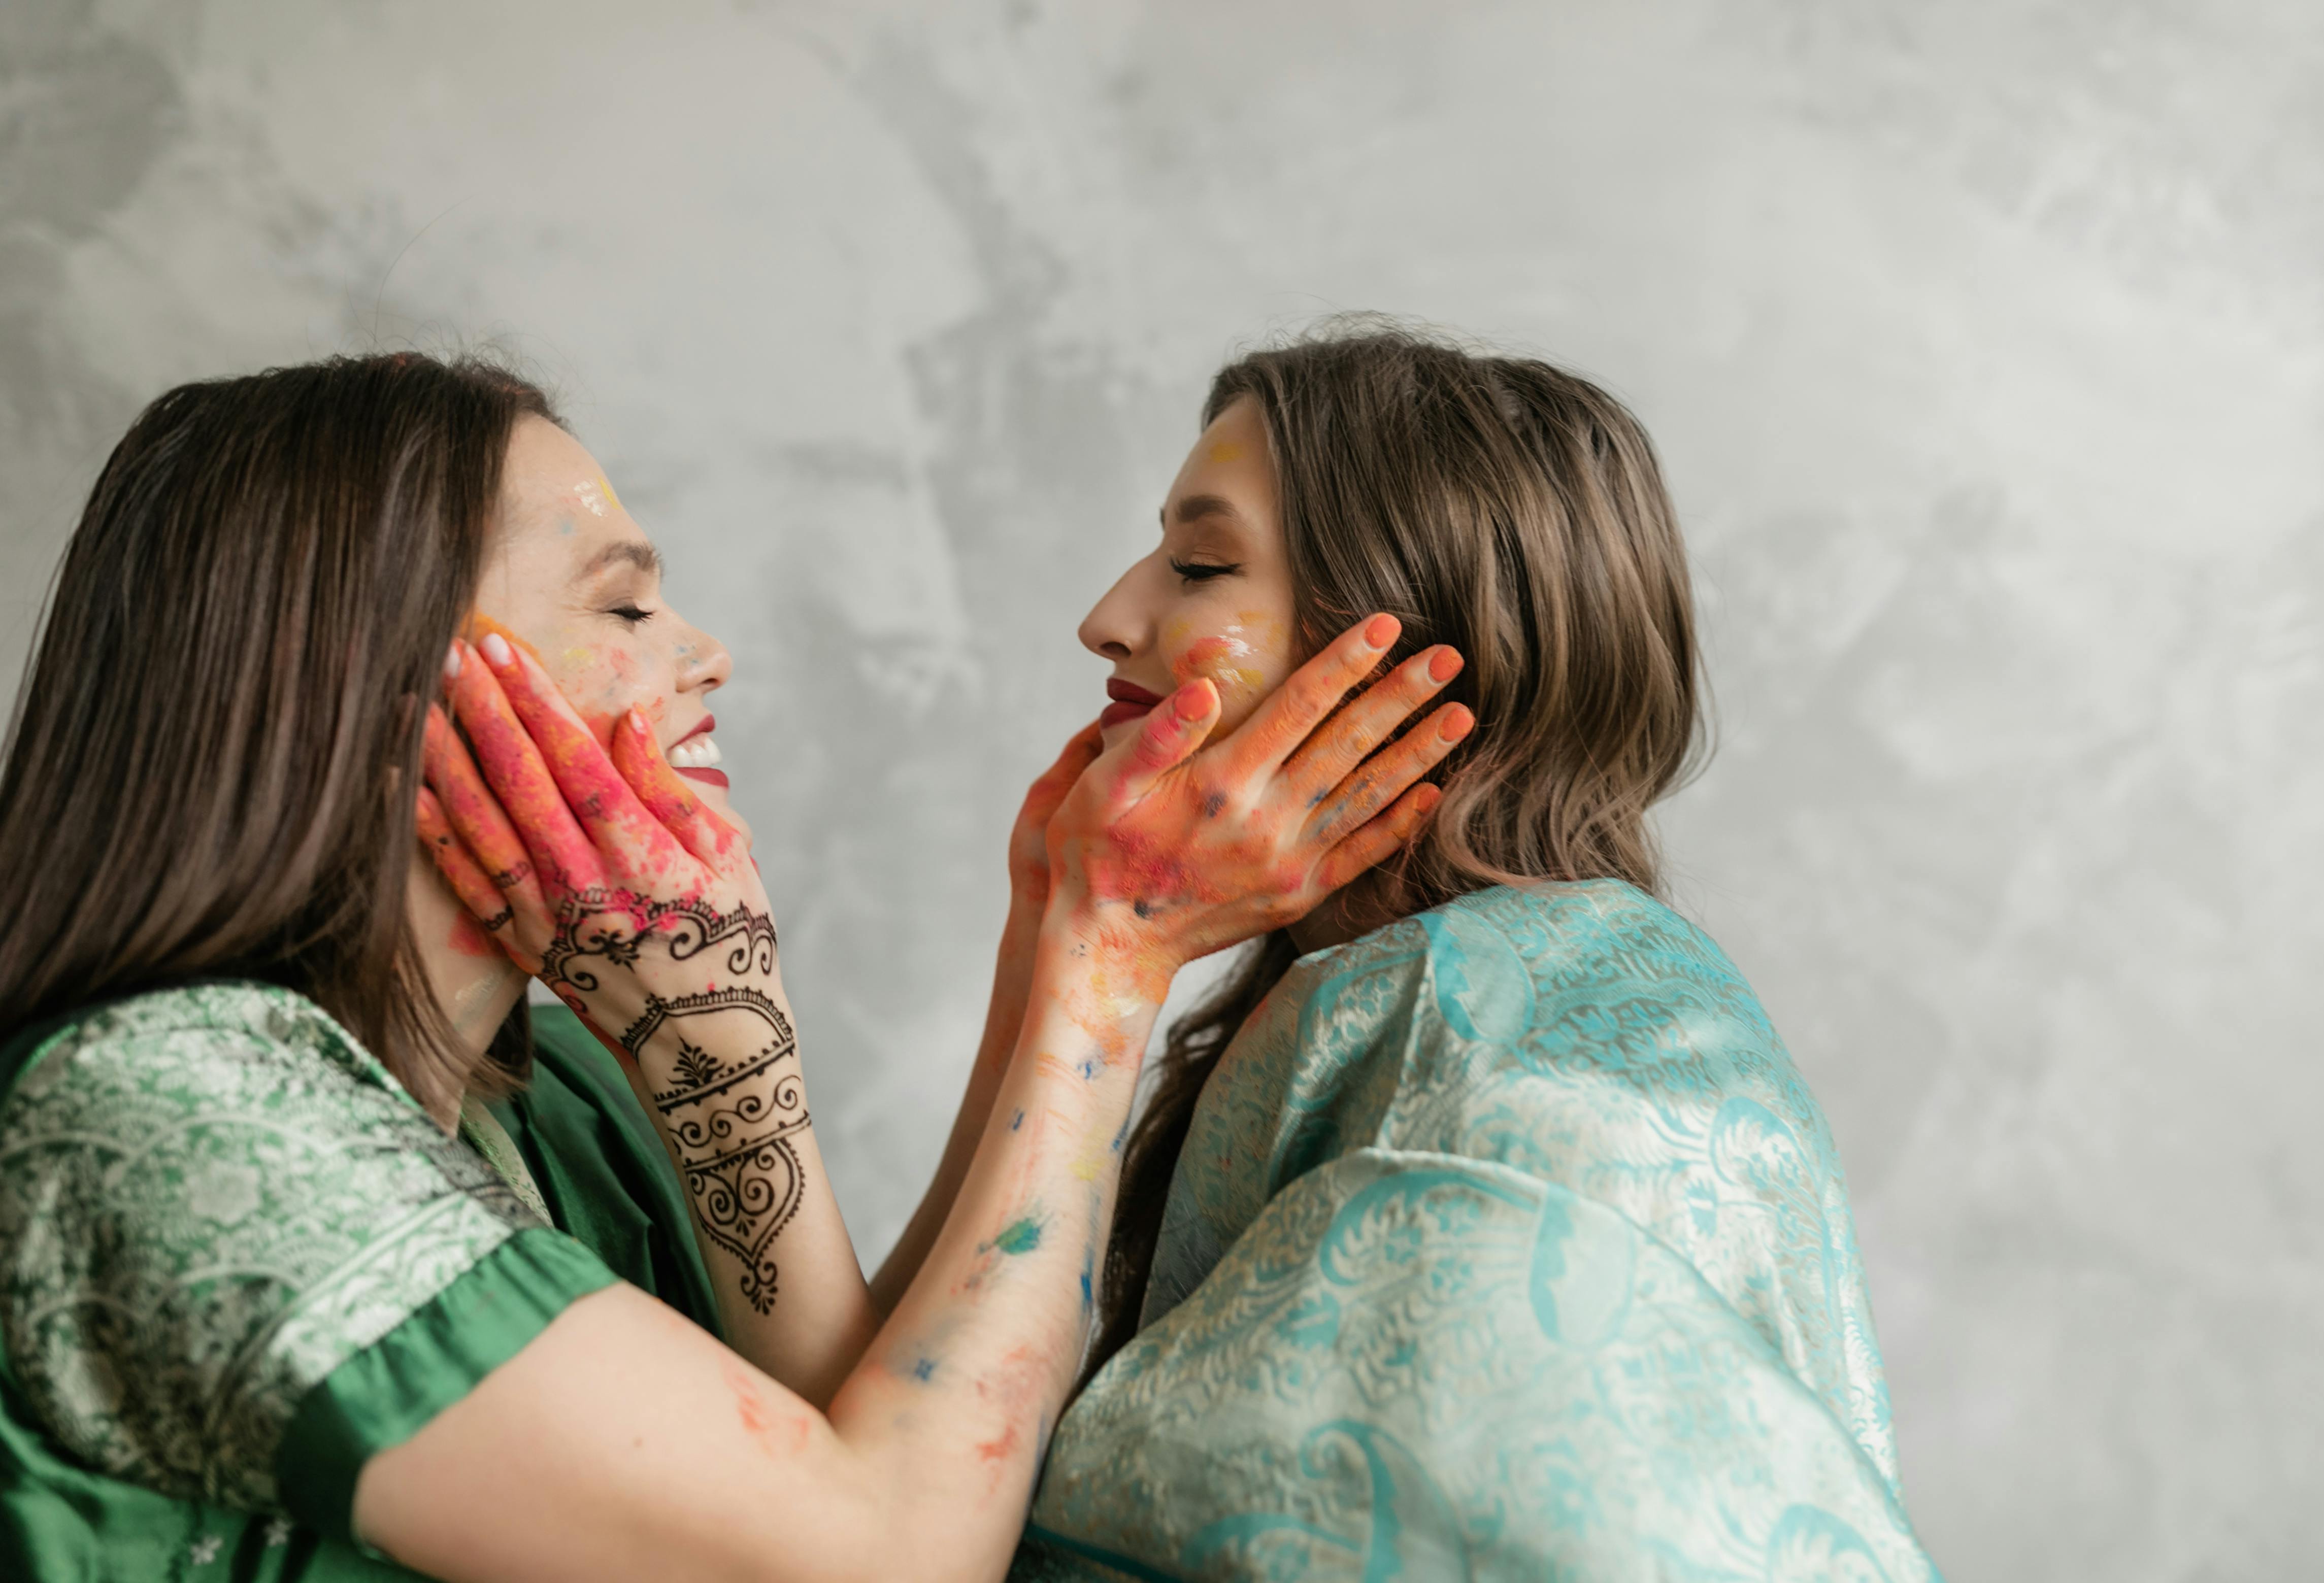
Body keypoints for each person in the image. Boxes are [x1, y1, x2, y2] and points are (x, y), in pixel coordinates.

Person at [0, 351, 1472, 1581]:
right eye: (625, 606)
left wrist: (1038, 949)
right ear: (369, 684)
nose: (703, 655)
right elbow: (880, 1557)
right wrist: (1110, 967)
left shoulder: (556, 1086)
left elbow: (849, 1423)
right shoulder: (168, 1113)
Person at [1012, 323, 1941, 1580]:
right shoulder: (1440, 991)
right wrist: (1069, 934)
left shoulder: (1528, 1086)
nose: (1106, 618)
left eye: (1198, 562)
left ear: (1405, 654)